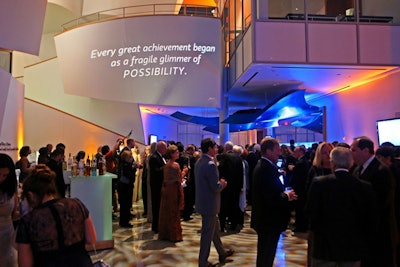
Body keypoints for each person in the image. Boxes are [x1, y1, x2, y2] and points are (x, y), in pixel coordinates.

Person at [306, 146, 378, 267]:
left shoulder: (319, 183)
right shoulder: (364, 187)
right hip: (352, 247)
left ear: (332, 162)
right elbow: (371, 219)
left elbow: (310, 213)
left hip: (325, 247)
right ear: (351, 163)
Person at [16, 164, 96, 267]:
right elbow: (91, 239)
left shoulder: (29, 221)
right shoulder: (77, 204)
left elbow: (25, 264)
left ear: (31, 195)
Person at [251, 137, 297, 267]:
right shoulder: (265, 168)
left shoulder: (266, 166)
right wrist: (286, 196)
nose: (280, 153)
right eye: (277, 150)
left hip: (267, 220)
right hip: (268, 220)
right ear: (268, 151)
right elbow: (271, 198)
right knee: (266, 255)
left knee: (266, 254)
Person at [350, 136, 397, 266]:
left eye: (353, 150)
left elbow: (380, 202)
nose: (351, 153)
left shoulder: (380, 171)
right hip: (364, 231)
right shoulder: (357, 169)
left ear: (365, 151)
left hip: (378, 231)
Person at [195, 138, 234, 267]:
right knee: (207, 234)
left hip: (203, 202)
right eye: (215, 147)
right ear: (210, 148)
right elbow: (215, 187)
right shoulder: (210, 164)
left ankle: (221, 252)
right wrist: (222, 184)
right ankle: (203, 261)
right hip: (210, 204)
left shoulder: (199, 162)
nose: (217, 149)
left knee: (214, 230)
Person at [158, 145, 187, 242]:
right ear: (172, 154)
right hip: (173, 190)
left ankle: (165, 233)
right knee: (174, 211)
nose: (178, 153)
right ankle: (174, 235)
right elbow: (178, 178)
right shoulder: (175, 165)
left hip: (166, 189)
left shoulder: (166, 165)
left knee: (166, 211)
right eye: (177, 152)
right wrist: (185, 171)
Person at [0, 153, 19, 266]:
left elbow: (14, 213)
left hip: (8, 234)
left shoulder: (11, 189)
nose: (1, 178)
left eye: (5, 175)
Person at [289, 145, 310, 233]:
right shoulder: (301, 161)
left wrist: (292, 168)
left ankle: (300, 226)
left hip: (300, 188)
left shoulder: (301, 162)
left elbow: (297, 173)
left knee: (299, 207)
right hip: (300, 188)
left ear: (301, 152)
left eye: (296, 151)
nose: (294, 153)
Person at [118, 150, 141, 228]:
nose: (131, 158)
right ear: (125, 158)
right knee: (125, 205)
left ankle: (125, 221)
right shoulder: (125, 165)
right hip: (125, 187)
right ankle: (124, 222)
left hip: (126, 186)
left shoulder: (126, 164)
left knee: (126, 205)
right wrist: (134, 168)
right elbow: (129, 175)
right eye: (130, 157)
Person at [149, 140, 167, 233]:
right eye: (165, 147)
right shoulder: (154, 157)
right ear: (160, 148)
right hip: (156, 185)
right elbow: (155, 172)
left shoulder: (161, 157)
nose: (166, 149)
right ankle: (155, 226)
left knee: (159, 205)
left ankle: (159, 224)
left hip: (161, 184)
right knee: (156, 206)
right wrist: (166, 167)